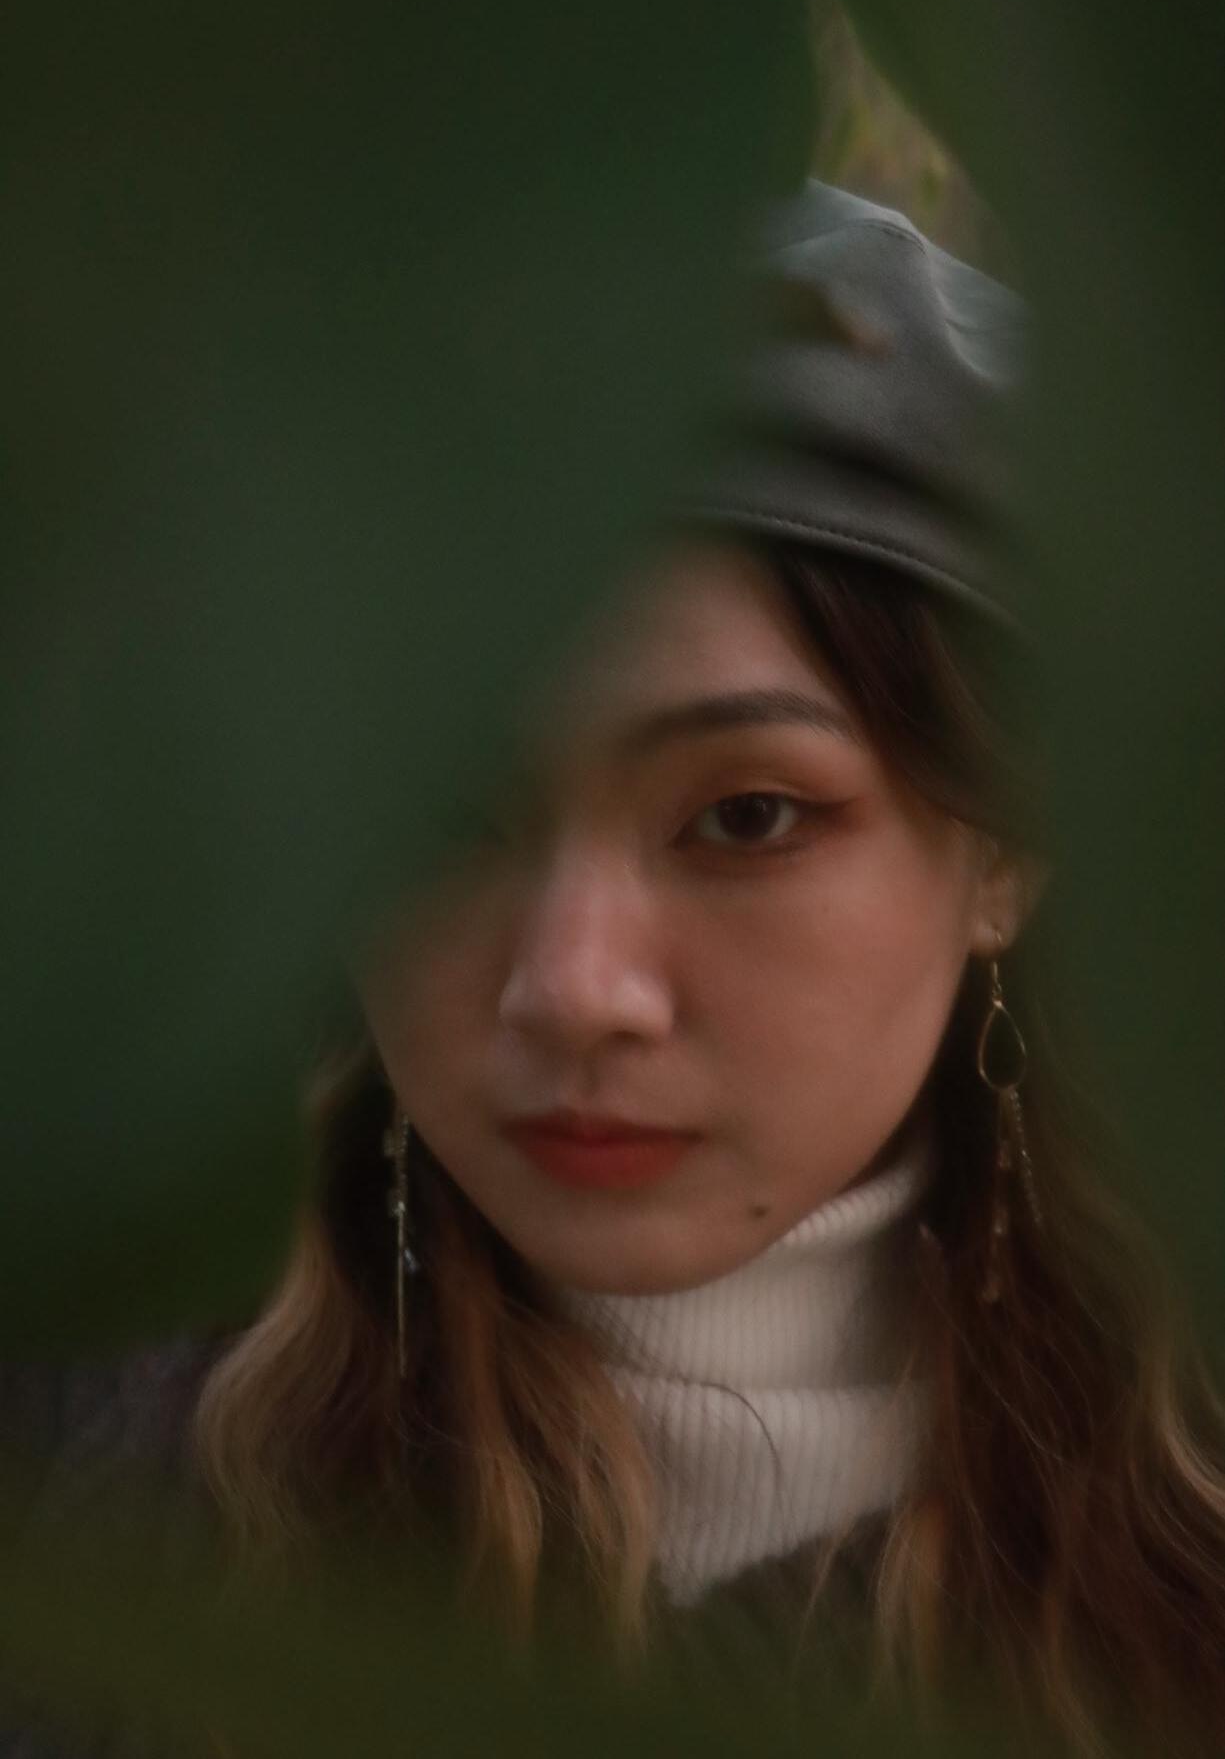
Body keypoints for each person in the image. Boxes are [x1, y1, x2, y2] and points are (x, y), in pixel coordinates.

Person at [10, 182, 1225, 1757]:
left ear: (1003, 847)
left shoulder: (1185, 1525)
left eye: (746, 815)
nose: (574, 987)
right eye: (440, 813)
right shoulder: (95, 1486)